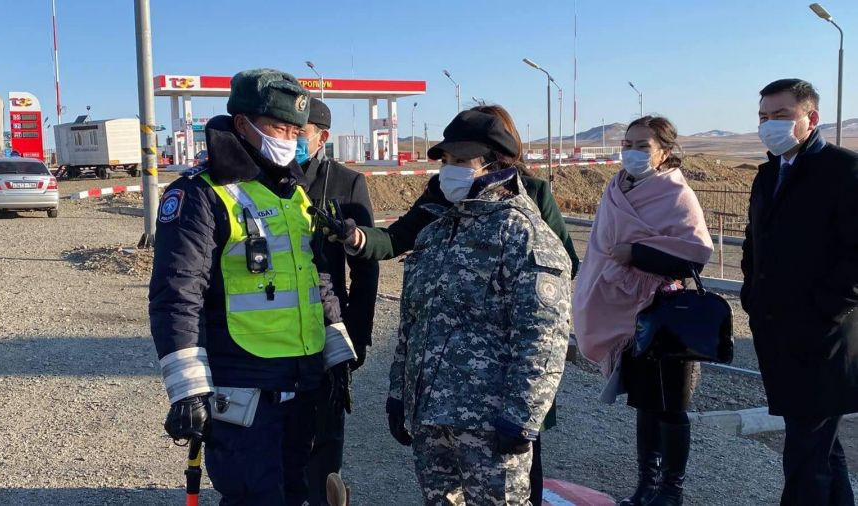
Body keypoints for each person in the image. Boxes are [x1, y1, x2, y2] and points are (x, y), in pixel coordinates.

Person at [323, 104, 577, 505]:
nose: (448, 170)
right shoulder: (437, 228)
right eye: (446, 160)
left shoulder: (522, 231)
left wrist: (523, 417)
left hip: (491, 418)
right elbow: (413, 320)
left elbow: (543, 336)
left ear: (494, 162)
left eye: (461, 161)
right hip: (433, 413)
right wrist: (400, 393)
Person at [149, 68, 355, 506]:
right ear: (242, 124)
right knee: (254, 497)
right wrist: (187, 388)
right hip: (244, 382)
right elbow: (177, 292)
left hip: (301, 378)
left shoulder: (290, 193)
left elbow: (313, 276)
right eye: (279, 127)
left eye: (297, 130)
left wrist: (336, 353)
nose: (290, 138)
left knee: (296, 490)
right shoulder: (201, 194)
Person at [572, 116, 714, 506]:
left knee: (670, 406)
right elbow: (601, 246)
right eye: (628, 143)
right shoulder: (614, 189)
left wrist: (636, 254)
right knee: (644, 404)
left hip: (664, 313)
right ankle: (645, 485)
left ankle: (671, 490)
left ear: (664, 152)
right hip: (624, 314)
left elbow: (695, 256)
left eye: (642, 146)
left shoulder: (676, 195)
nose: (631, 152)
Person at [742, 78, 858, 506]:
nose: (769, 125)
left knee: (805, 454)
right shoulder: (769, 173)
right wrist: (750, 296)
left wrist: (825, 309)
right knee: (820, 445)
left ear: (811, 118)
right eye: (763, 117)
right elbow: (756, 242)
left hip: (825, 338)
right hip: (779, 333)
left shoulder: (844, 171)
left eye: (781, 116)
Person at [297, 98, 380, 506]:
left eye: (300, 132)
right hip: (270, 335)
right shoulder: (261, 180)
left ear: (321, 137)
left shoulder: (347, 184)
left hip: (328, 331)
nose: (290, 138)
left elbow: (366, 269)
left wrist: (359, 337)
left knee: (324, 440)